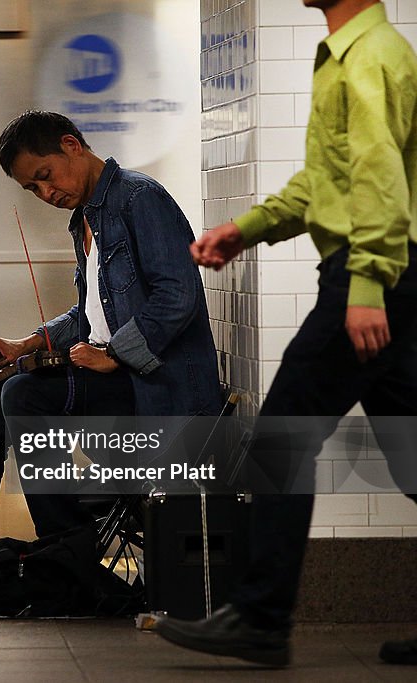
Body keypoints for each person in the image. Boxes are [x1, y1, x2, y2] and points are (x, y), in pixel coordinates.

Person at [156, 0, 417, 668]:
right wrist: (245, 230)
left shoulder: (372, 57)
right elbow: (325, 184)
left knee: (283, 436)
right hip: (382, 274)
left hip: (369, 275)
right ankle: (259, 614)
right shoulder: (344, 54)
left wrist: (365, 289)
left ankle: (261, 617)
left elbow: (381, 184)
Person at [0, 110, 221, 599]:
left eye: (45, 176)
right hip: (117, 380)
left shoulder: (139, 200)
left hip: (157, 390)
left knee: (26, 396)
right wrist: (27, 343)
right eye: (33, 189)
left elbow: (179, 294)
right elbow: (91, 312)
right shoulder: (89, 219)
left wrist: (116, 354)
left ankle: (67, 552)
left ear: (72, 145)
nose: (46, 193)